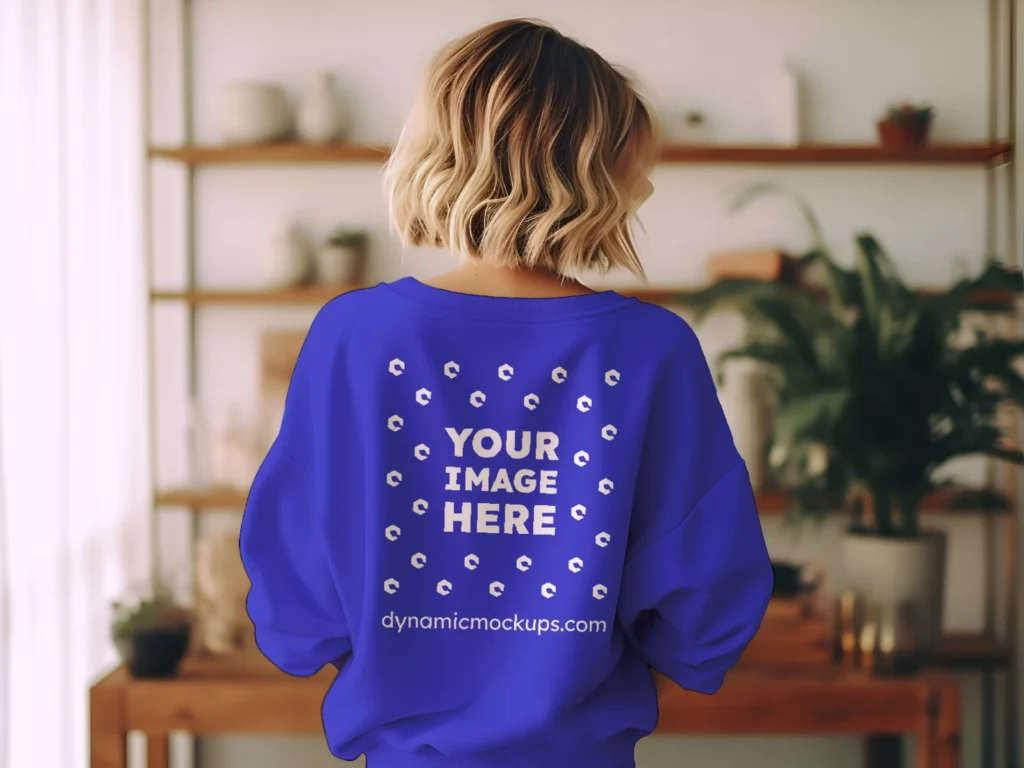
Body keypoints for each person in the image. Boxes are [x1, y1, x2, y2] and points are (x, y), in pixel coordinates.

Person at [239, 18, 773, 768]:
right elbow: (706, 611)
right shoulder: (652, 350)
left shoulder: (353, 337)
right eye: (636, 164)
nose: (646, 185)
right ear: (595, 174)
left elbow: (296, 603)